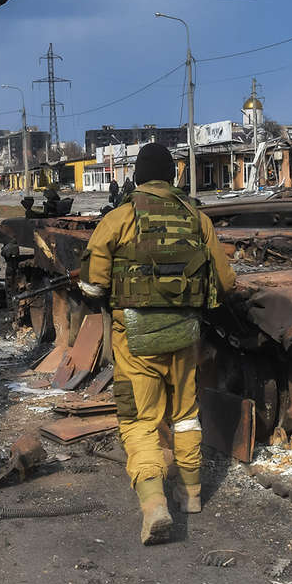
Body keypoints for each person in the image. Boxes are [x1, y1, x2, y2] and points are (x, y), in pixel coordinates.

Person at [80, 142, 235, 545]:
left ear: (136, 177)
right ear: (172, 177)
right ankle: (192, 494)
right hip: (184, 335)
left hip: (135, 339)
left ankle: (153, 504)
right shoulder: (197, 219)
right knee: (185, 414)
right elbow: (226, 282)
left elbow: (93, 284)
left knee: (140, 421)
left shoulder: (118, 219)